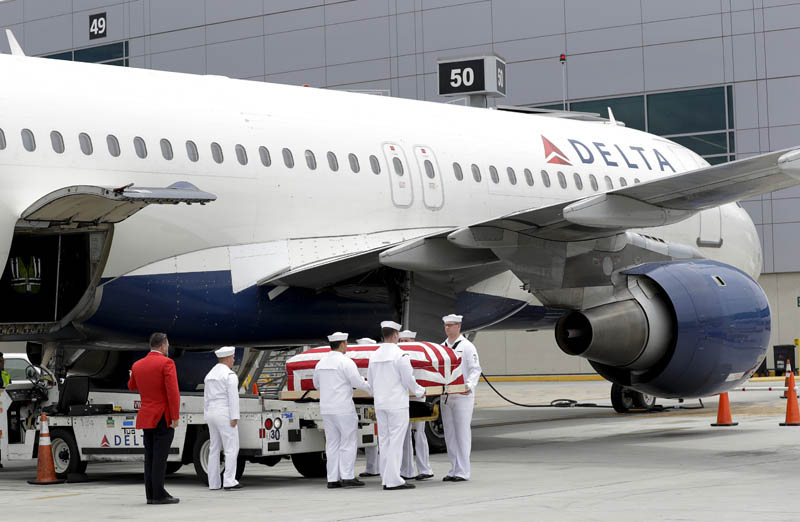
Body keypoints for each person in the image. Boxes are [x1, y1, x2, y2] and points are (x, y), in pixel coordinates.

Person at [367, 321, 425, 490]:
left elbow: (370, 382)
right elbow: (408, 380)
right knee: (396, 442)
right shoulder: (401, 355)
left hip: (380, 404)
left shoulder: (374, 356)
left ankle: (386, 477)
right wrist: (420, 391)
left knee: (384, 442)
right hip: (397, 405)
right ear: (395, 335)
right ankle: (393, 480)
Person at [128, 333, 181, 504]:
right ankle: (159, 494)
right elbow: (173, 393)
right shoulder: (167, 363)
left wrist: (132, 374)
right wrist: (175, 417)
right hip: (162, 416)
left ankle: (150, 493)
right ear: (163, 345)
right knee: (160, 457)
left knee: (150, 456)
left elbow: (132, 386)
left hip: (147, 416)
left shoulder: (137, 365)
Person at [313, 332, 371, 489]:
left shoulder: (321, 363)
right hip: (343, 408)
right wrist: (373, 389)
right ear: (343, 344)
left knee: (332, 443)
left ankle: (332, 478)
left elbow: (316, 384)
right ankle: (347, 476)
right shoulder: (346, 362)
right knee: (348, 442)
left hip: (326, 409)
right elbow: (358, 382)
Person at [440, 314, 482, 482]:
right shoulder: (442, 347)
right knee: (449, 434)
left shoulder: (467, 347)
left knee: (462, 433)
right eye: (446, 325)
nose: (447, 328)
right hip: (446, 396)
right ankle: (454, 468)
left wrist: (469, 386)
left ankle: (463, 471)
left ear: (458, 326)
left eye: (450, 325)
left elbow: (475, 369)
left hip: (462, 396)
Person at [203, 346, 242, 491]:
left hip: (211, 413)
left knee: (214, 448)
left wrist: (206, 414)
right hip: (224, 412)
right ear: (227, 358)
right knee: (231, 447)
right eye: (232, 357)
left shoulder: (210, 375)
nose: (233, 360)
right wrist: (235, 416)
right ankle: (229, 480)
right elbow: (233, 397)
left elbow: (206, 397)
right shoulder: (229, 375)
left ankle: (213, 483)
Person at [397, 330, 434, 481]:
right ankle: (407, 470)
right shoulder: (400, 357)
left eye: (407, 341)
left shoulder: (419, 355)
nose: (404, 344)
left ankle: (425, 469)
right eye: (402, 341)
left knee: (419, 433)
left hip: (418, 398)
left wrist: (420, 391)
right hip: (404, 398)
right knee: (404, 435)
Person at [356, 337, 381, 478]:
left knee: (377, 437)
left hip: (373, 400)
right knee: (370, 437)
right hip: (364, 398)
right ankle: (372, 468)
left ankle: (377, 468)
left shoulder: (374, 359)